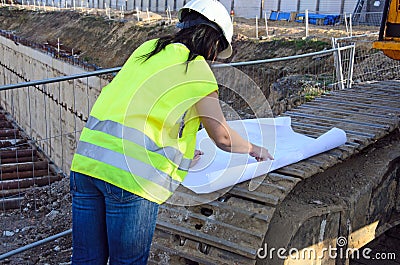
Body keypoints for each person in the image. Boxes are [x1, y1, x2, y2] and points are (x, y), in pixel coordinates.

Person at [69, 0, 274, 264]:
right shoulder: (197, 69)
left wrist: (181, 154)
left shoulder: (148, 49)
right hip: (130, 178)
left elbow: (143, 112)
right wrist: (254, 149)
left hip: (86, 164)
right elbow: (221, 136)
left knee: (86, 259)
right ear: (213, 42)